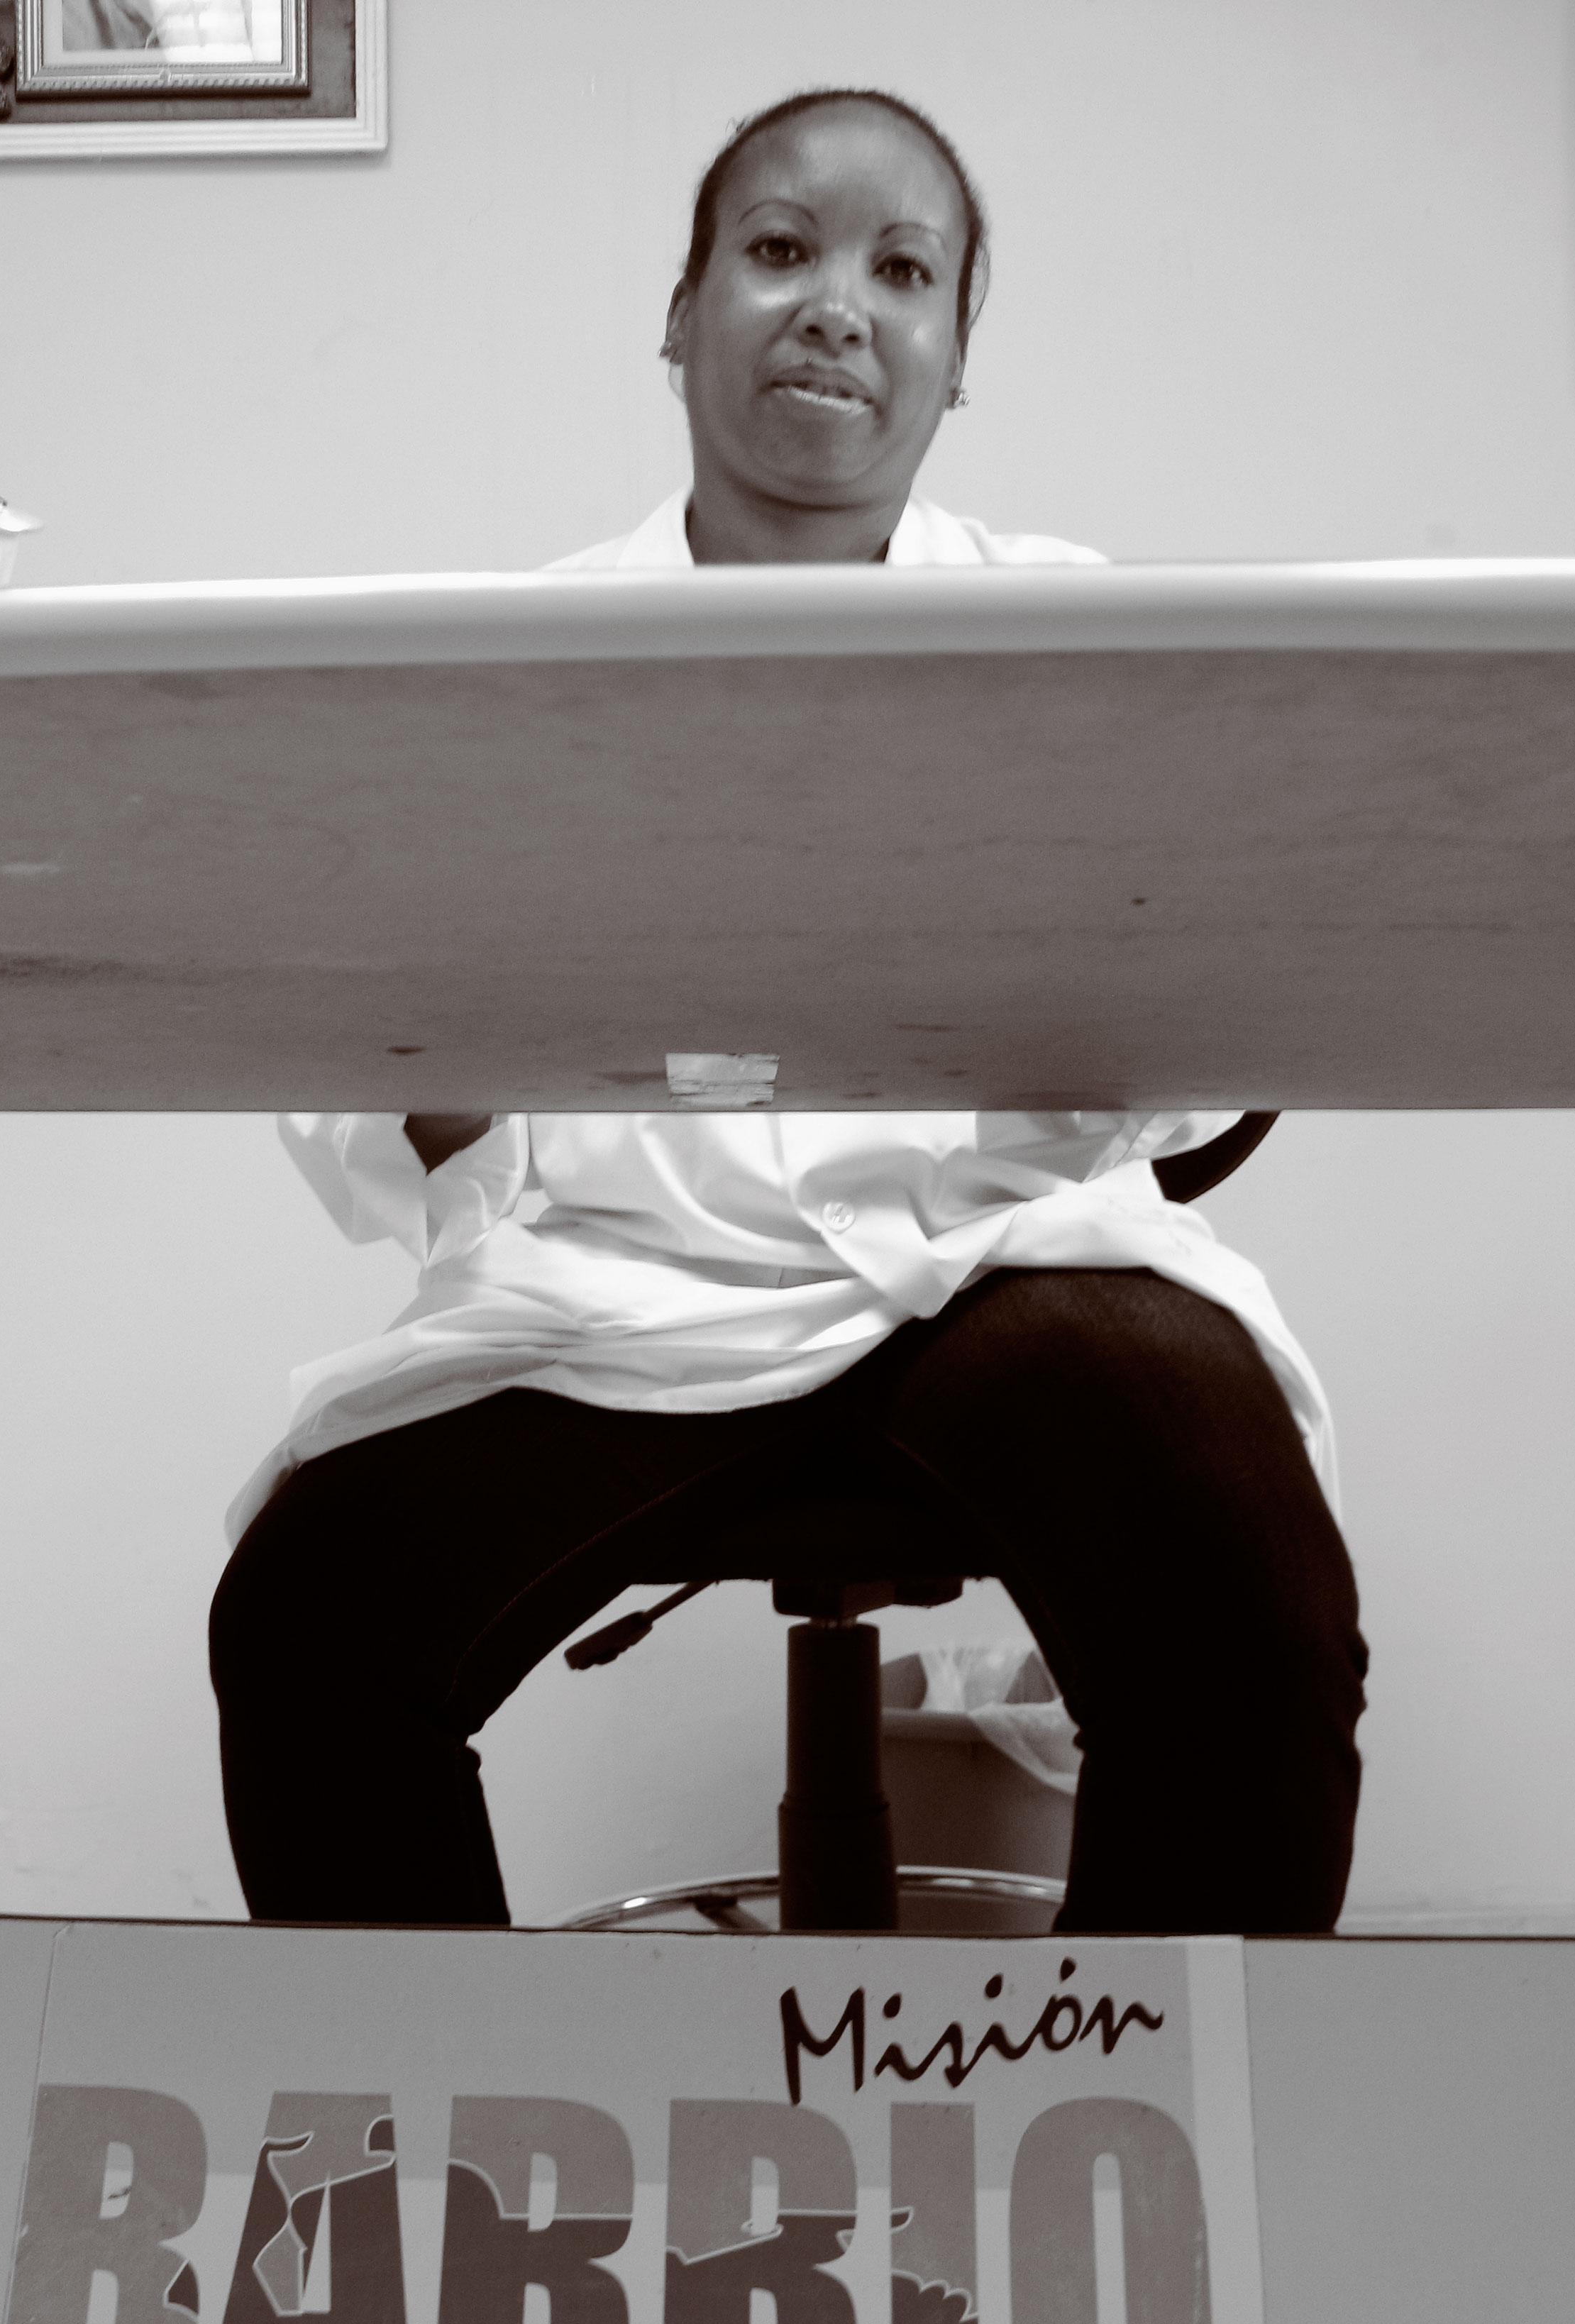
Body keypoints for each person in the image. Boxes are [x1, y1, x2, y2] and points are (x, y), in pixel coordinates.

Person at [211, 85, 1367, 1953]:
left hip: (996, 1269)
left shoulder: (1077, 634)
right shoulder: (502, 666)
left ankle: (1129, 2108)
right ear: (681, 316)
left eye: (904, 271)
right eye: (778, 250)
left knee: (1240, 1577)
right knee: (308, 1620)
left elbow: (1218, 1054)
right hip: (620, 1301)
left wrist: (1131, 973)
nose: (837, 304)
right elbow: (397, 1105)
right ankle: (463, 2122)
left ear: (957, 358)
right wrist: (435, 1057)